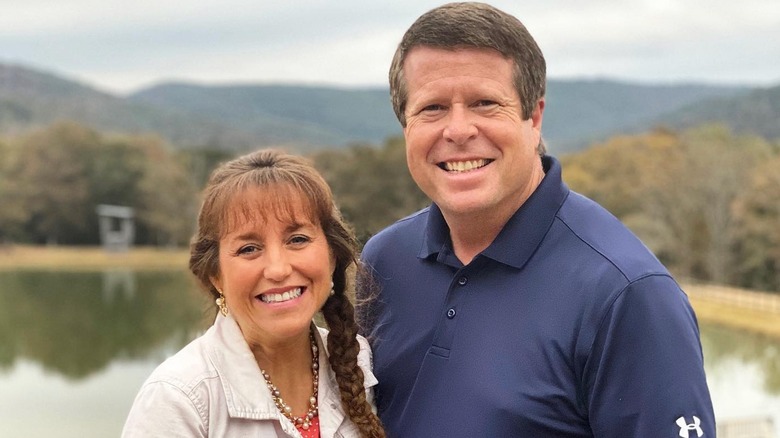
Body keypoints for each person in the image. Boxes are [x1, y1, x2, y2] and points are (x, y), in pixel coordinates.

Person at [357, 2, 715, 437]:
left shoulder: (628, 295)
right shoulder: (384, 262)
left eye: (485, 103)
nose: (458, 130)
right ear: (406, 127)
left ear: (535, 117)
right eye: (431, 108)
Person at [123, 149, 385, 437]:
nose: (277, 269)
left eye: (297, 240)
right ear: (216, 276)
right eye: (249, 249)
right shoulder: (179, 398)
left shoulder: (359, 361)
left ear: (332, 255)